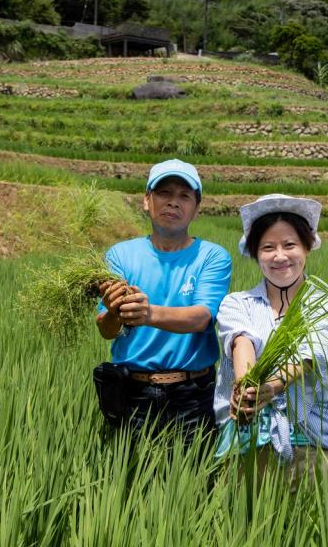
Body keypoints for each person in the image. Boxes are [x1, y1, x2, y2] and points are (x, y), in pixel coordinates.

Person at [213, 194, 328, 481]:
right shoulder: (237, 303)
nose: (280, 256)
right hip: (247, 443)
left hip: (311, 448)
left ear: (307, 247)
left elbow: (310, 355)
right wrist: (246, 386)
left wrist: (273, 385)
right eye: (268, 247)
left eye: (290, 245)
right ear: (254, 253)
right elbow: (241, 341)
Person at [94, 159, 232, 443]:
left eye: (184, 196)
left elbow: (202, 317)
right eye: (164, 193)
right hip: (132, 391)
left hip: (193, 394)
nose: (173, 203)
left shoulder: (212, 256)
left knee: (193, 481)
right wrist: (113, 312)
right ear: (147, 200)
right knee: (130, 482)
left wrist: (147, 313)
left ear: (196, 208)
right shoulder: (120, 255)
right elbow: (107, 330)